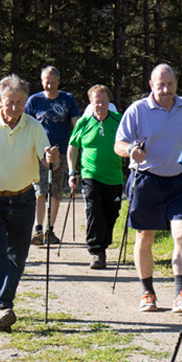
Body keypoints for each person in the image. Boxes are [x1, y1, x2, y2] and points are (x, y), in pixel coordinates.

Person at [0, 75, 62, 332]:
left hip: (24, 199)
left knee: (18, 255)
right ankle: (1, 307)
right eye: (9, 102)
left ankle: (4, 303)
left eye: (19, 102)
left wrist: (53, 158)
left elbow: (49, 162)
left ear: (26, 102)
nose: (14, 108)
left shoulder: (34, 126)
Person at [116, 64, 182, 313]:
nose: (165, 89)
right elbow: (118, 143)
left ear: (176, 83)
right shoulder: (138, 110)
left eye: (169, 84)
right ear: (151, 85)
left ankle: (181, 294)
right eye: (160, 85)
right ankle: (147, 293)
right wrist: (131, 150)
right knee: (145, 236)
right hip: (147, 180)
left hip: (179, 180)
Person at [68, 85, 124, 270]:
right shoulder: (83, 123)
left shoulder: (119, 120)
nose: (100, 105)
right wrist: (72, 172)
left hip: (114, 178)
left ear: (109, 102)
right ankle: (97, 252)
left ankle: (103, 244)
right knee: (94, 211)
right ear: (91, 103)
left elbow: (132, 140)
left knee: (111, 215)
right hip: (90, 175)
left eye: (103, 101)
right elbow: (72, 148)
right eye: (96, 101)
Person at [27, 65, 81, 247]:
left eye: (53, 82)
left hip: (61, 152)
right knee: (39, 191)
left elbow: (75, 124)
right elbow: (25, 125)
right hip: (38, 153)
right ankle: (38, 229)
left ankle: (51, 229)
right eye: (46, 82)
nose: (49, 86)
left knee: (56, 191)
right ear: (42, 82)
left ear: (58, 82)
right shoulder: (34, 101)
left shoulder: (68, 99)